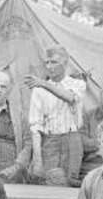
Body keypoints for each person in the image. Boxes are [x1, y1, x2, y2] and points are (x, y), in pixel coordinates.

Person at [25, 46, 85, 187]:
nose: (49, 67)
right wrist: (37, 158)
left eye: (54, 62)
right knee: (50, 182)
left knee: (69, 183)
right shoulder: (38, 90)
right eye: (47, 63)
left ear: (65, 64)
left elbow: (70, 97)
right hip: (50, 141)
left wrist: (44, 83)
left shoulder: (77, 84)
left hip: (72, 140)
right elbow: (35, 127)